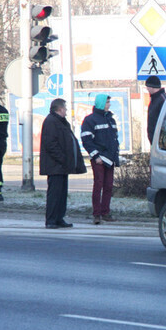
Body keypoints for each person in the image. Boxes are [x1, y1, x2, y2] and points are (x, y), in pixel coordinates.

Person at [39, 98, 86, 229]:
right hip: (55, 165)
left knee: (61, 194)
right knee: (54, 194)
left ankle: (59, 218)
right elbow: (50, 144)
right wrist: (63, 159)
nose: (66, 110)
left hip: (62, 166)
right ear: (59, 109)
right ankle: (51, 220)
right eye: (65, 108)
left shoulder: (60, 121)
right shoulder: (51, 121)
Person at [81, 94, 120, 224]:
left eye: (109, 102)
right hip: (99, 159)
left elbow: (114, 139)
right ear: (101, 103)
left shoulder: (111, 119)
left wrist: (115, 154)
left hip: (110, 159)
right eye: (107, 102)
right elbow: (86, 140)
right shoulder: (90, 120)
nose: (109, 105)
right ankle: (96, 214)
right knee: (98, 185)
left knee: (108, 186)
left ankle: (105, 212)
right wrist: (96, 156)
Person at [145, 75, 166, 144]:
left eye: (147, 86)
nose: (147, 89)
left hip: (162, 144)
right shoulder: (155, 99)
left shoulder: (163, 100)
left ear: (151, 87)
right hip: (156, 143)